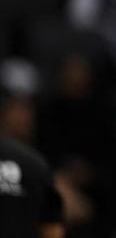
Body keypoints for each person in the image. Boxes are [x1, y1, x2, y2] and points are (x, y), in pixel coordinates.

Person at [0, 90, 65, 238]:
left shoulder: (37, 164)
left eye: (27, 112)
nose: (22, 119)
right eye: (17, 113)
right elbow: (52, 229)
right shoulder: (36, 163)